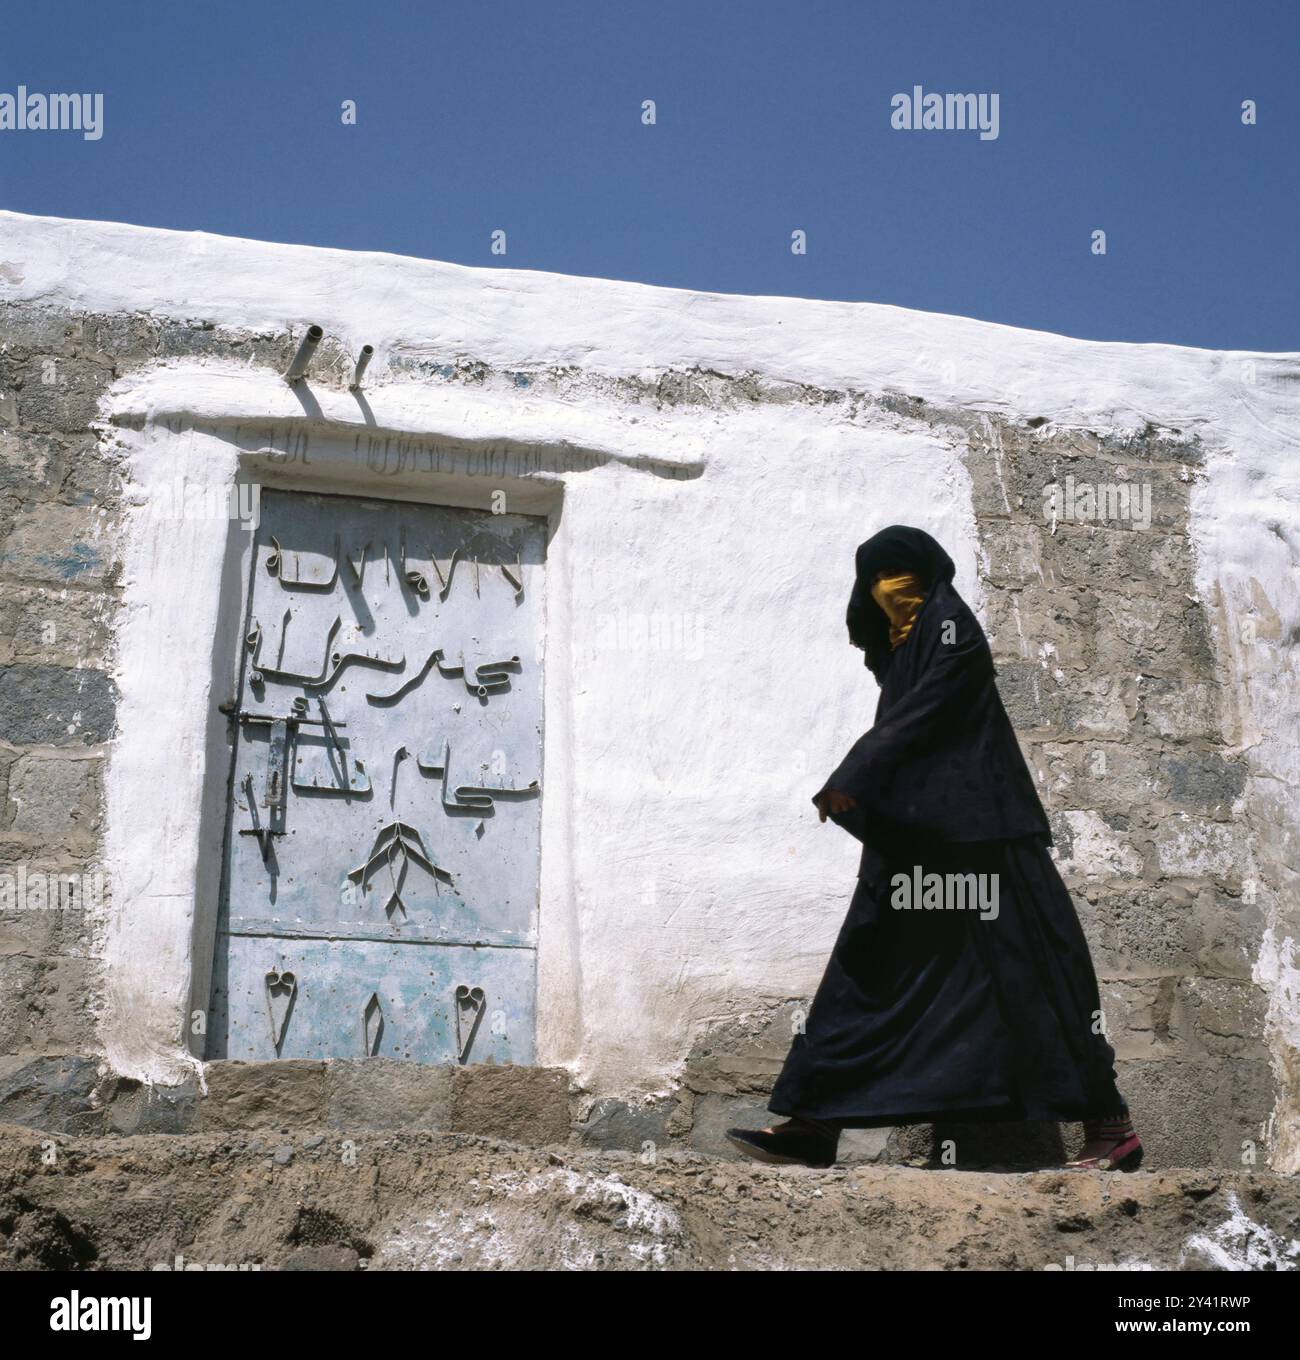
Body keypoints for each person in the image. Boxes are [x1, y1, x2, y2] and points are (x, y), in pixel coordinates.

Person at [727, 525, 1141, 1173]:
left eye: (900, 573)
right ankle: (815, 1121)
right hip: (922, 837)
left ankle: (1110, 1126)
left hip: (988, 836)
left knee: (1037, 974)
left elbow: (924, 717)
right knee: (868, 963)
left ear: (927, 574)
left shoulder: (953, 631)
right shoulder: (903, 648)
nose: (890, 589)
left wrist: (853, 778)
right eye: (876, 578)